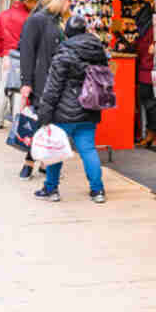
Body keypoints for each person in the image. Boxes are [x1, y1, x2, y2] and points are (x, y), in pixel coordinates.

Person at [33, 15, 110, 204]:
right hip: (89, 108)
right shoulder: (98, 51)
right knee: (89, 151)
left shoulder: (64, 53)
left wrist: (44, 113)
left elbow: (53, 87)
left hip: (63, 112)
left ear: (67, 33)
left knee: (55, 150)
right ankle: (97, 190)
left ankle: (51, 189)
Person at [16, 0, 70, 179]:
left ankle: (45, 164)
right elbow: (27, 52)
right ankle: (30, 162)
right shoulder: (37, 20)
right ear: (59, 0)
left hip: (58, 80)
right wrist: (26, 82)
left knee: (51, 123)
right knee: (41, 121)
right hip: (41, 80)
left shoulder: (59, 22)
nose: (69, 4)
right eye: (67, 0)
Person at [0, 0, 38, 130]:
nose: (35, 6)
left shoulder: (3, 15)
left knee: (4, 88)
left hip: (7, 56)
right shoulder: (29, 18)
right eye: (34, 2)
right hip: (23, 56)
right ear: (27, 1)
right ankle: (17, 123)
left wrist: (2, 54)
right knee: (19, 90)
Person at [132, 0, 156, 148]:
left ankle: (155, 133)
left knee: (153, 100)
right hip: (143, 59)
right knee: (145, 98)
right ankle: (150, 132)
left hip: (152, 61)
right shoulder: (146, 12)